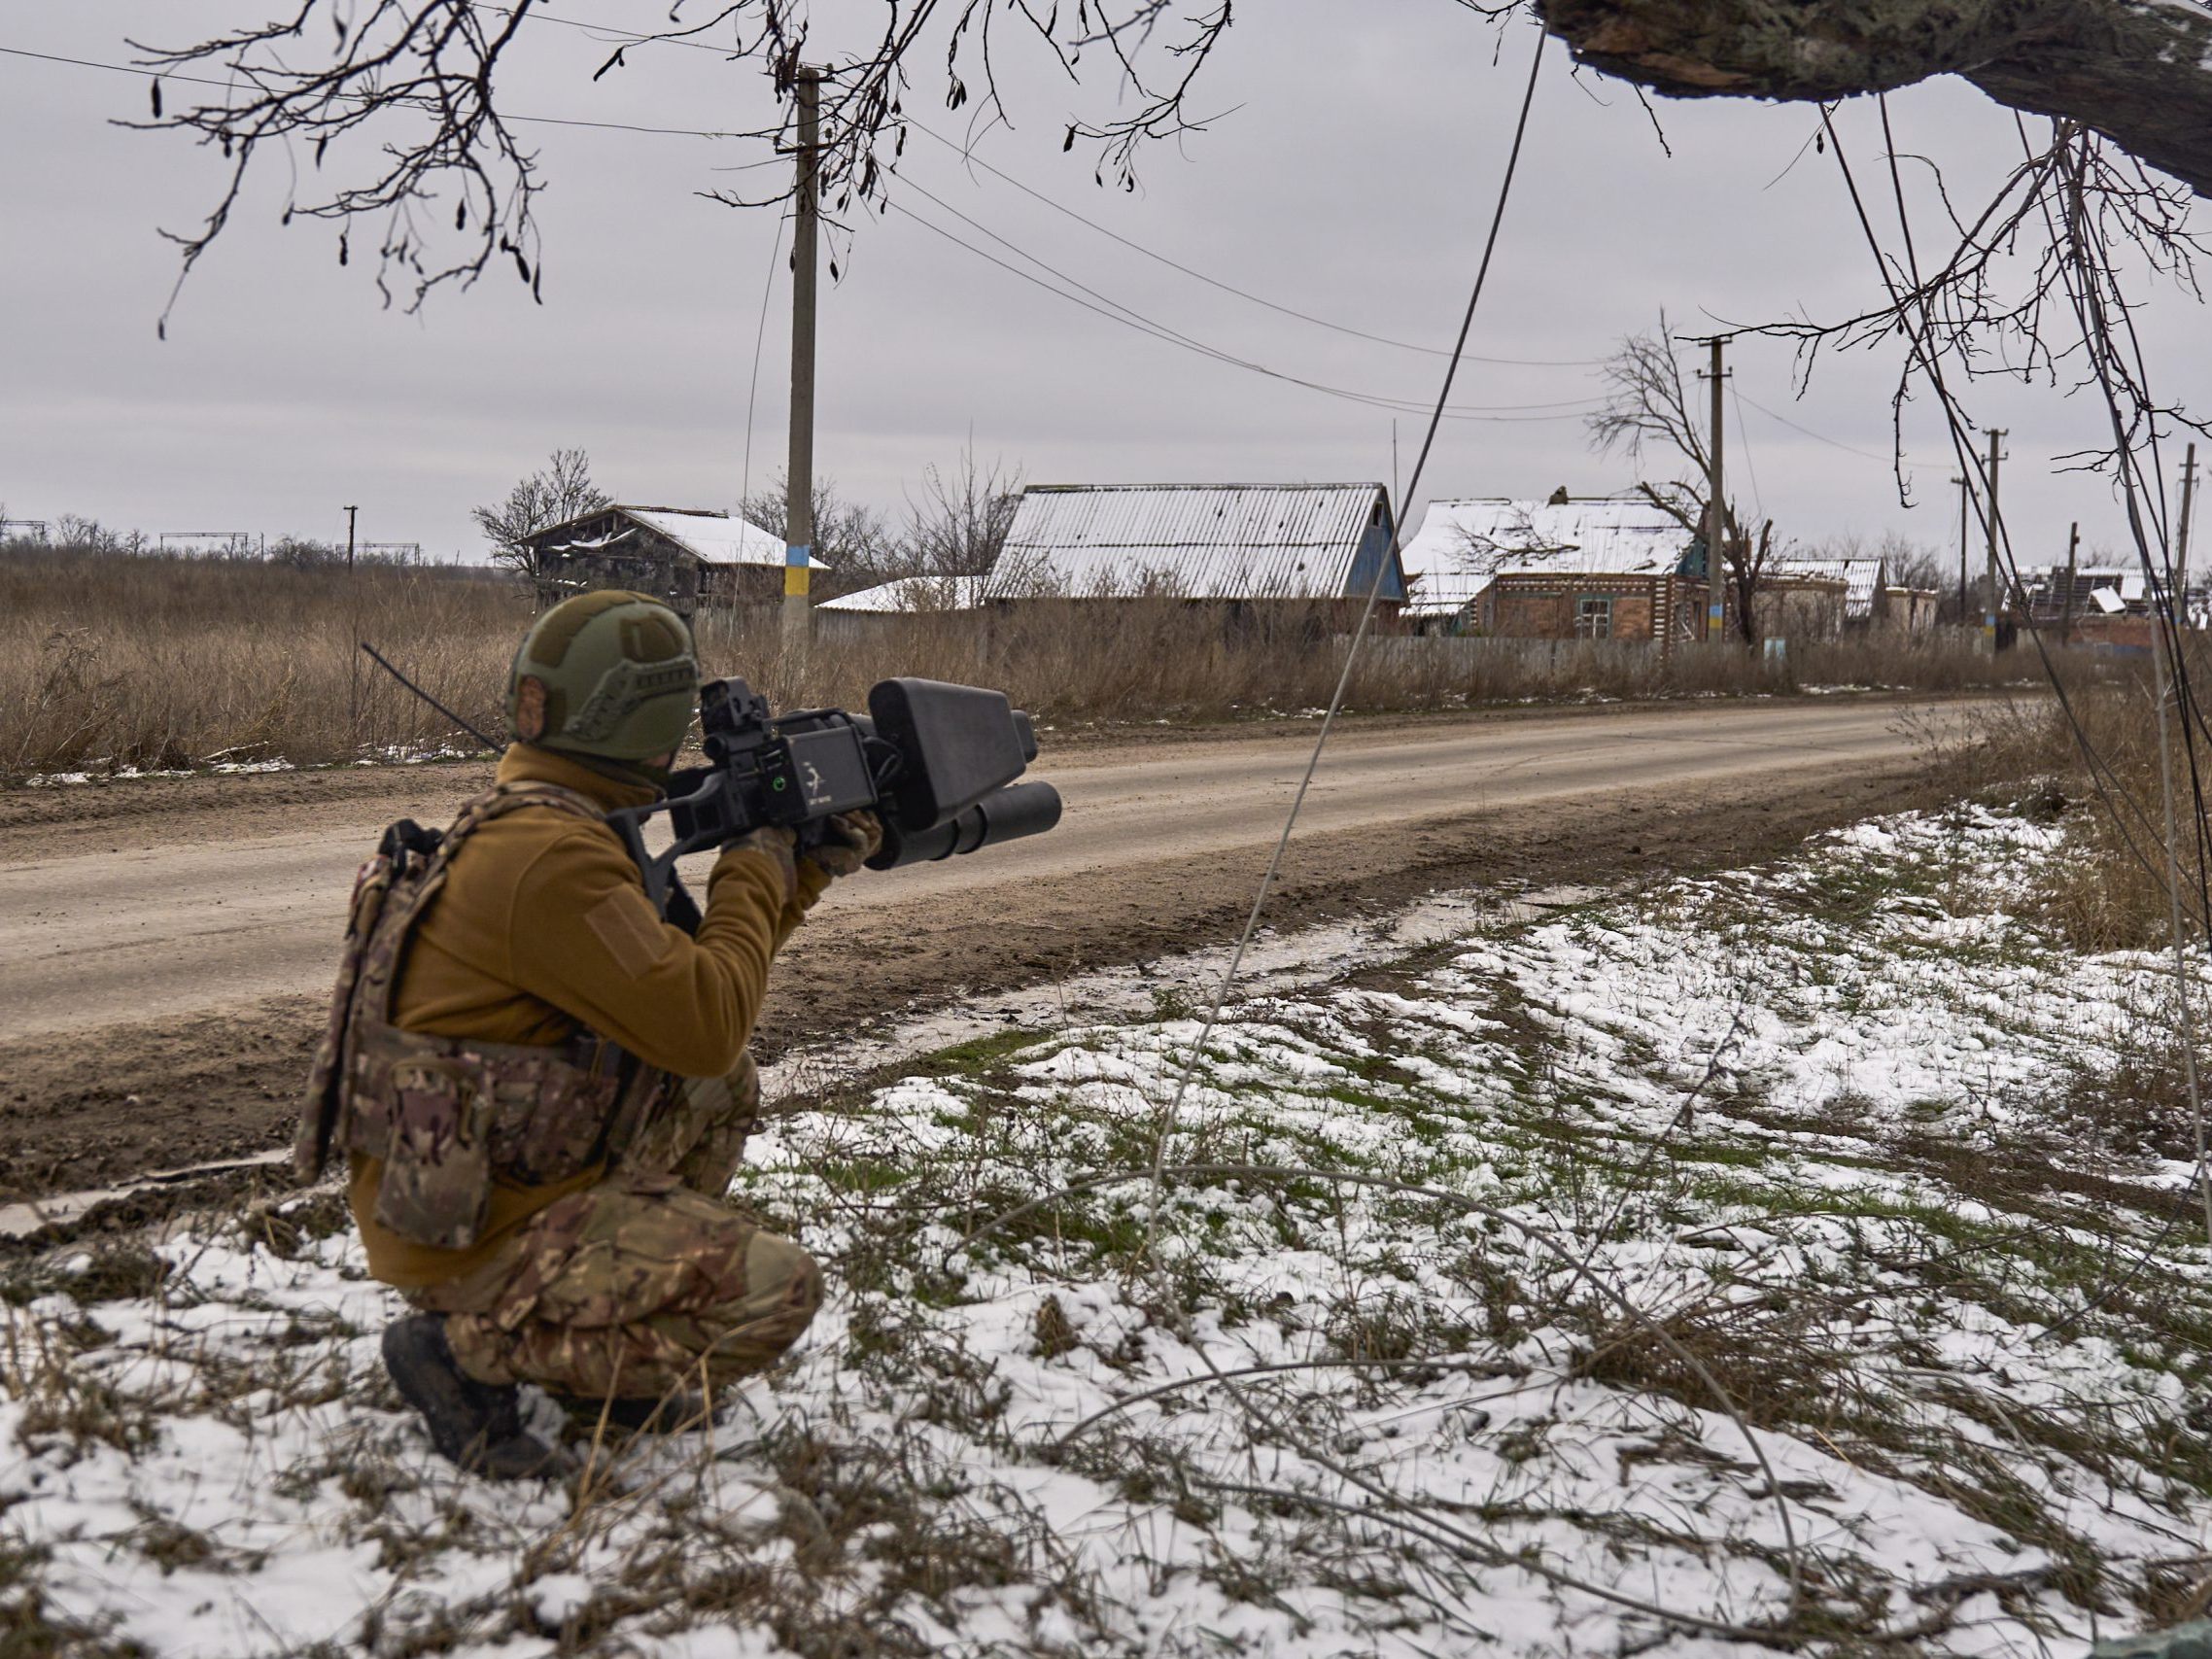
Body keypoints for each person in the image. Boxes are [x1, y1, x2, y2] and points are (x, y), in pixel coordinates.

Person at [294, 589, 877, 1477]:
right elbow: (708, 1019)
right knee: (773, 1291)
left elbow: (691, 1002)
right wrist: (758, 866)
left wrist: (793, 877)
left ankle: (591, 1350)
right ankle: (470, 1350)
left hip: (473, 1184)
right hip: (472, 1232)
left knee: (719, 1087)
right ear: (645, 721)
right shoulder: (552, 859)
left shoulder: (538, 821)